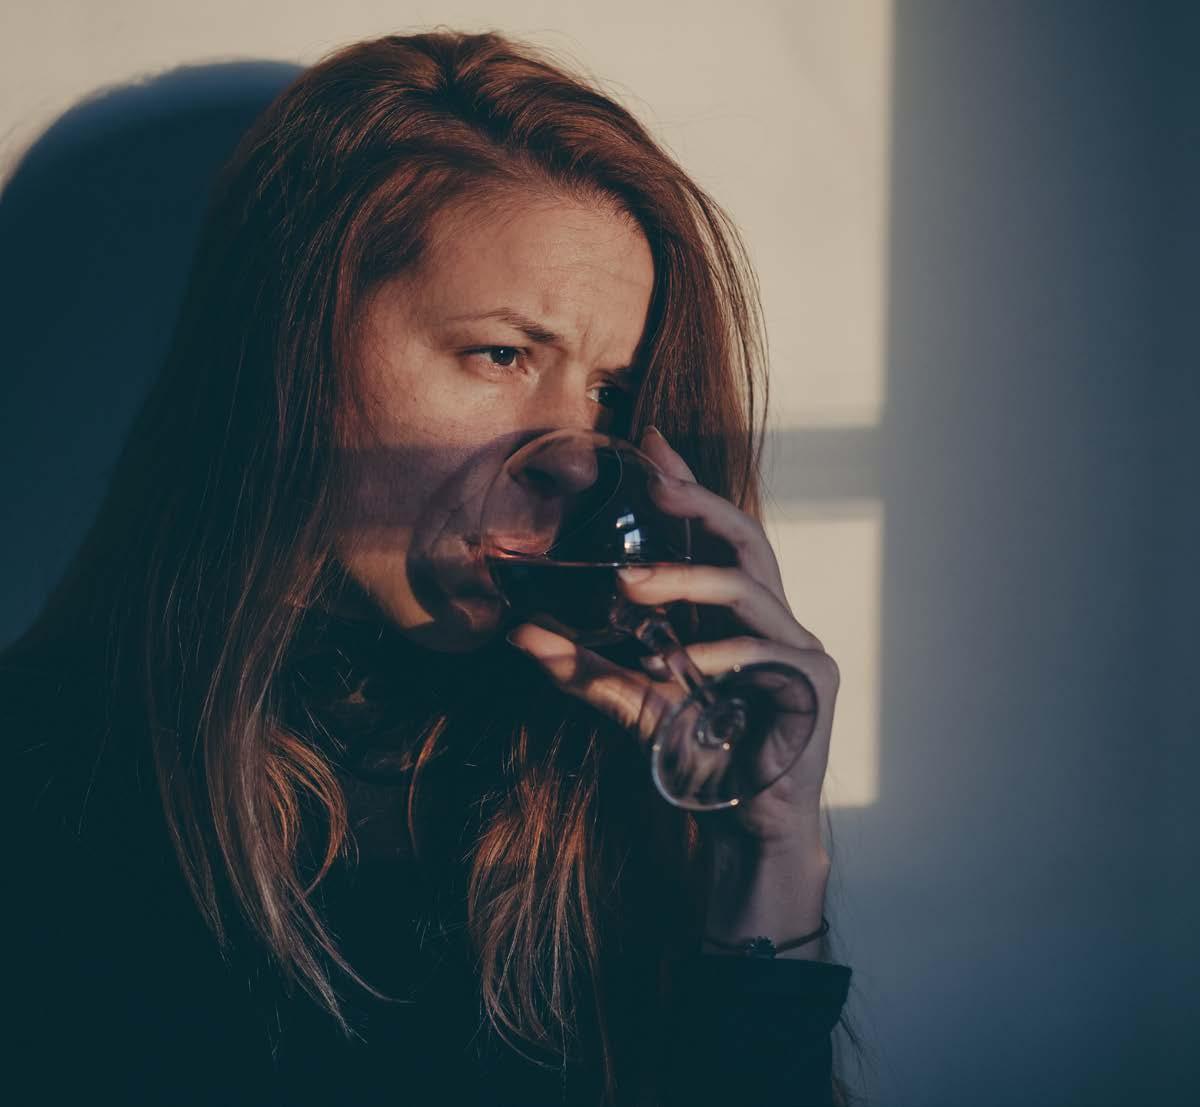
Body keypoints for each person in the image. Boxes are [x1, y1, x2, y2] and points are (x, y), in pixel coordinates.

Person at [8, 30, 858, 1106]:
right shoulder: (41, 788)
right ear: (290, 345)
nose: (574, 457)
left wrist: (765, 862)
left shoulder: (599, 773)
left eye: (607, 389)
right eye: (502, 353)